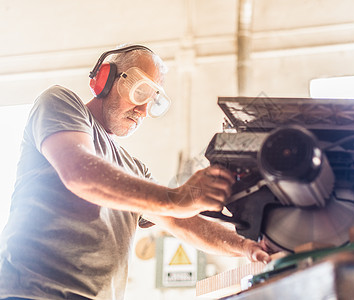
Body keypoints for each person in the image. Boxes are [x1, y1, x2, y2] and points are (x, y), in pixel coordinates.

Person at [0, 45, 271, 300]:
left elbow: (182, 222)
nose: (143, 111)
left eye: (153, 101)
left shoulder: (134, 169)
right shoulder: (59, 102)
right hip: (32, 293)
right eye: (140, 92)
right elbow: (81, 173)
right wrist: (176, 198)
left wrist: (247, 246)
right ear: (105, 80)